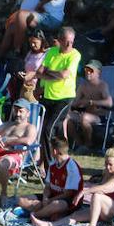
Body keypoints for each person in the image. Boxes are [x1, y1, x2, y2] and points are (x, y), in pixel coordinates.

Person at [35, 27, 80, 156]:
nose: (69, 45)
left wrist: (47, 73)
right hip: (48, 96)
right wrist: (53, 75)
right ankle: (61, 158)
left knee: (48, 130)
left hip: (64, 98)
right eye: (66, 41)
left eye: (71, 42)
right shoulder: (52, 52)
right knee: (56, 132)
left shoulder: (74, 54)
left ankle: (51, 165)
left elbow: (64, 75)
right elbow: (39, 73)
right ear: (59, 40)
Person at [21, 137, 82, 226]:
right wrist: (45, 197)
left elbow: (68, 194)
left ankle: (34, 215)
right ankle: (47, 212)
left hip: (68, 201)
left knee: (57, 205)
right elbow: (48, 186)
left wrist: (49, 200)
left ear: (54, 151)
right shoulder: (53, 164)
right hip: (52, 197)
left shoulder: (71, 167)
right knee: (21, 200)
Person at [65, 61, 113, 151]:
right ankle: (78, 143)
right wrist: (80, 103)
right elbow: (75, 103)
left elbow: (109, 103)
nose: (88, 72)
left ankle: (88, 144)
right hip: (84, 114)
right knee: (67, 116)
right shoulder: (83, 86)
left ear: (98, 73)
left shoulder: (102, 86)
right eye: (87, 69)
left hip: (99, 116)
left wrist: (92, 102)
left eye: (91, 70)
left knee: (84, 117)